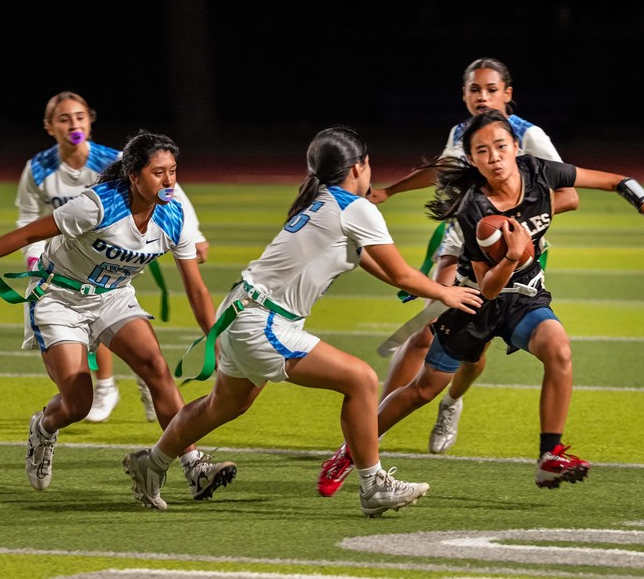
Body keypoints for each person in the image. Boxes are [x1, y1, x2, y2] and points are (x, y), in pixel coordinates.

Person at [120, 126, 484, 516]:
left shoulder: (324, 200)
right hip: (264, 321)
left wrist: (425, 287)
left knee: (223, 405)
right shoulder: (357, 208)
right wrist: (445, 292)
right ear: (359, 166)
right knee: (361, 379)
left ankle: (152, 462)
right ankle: (373, 485)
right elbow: (398, 272)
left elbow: (373, 262)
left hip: (242, 309)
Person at [321, 109, 644, 492]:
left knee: (559, 350)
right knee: (423, 389)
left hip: (524, 297)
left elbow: (619, 181)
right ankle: (348, 452)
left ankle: (549, 456)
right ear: (471, 159)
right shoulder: (473, 205)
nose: (494, 157)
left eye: (501, 146)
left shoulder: (539, 171)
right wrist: (511, 255)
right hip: (472, 302)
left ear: (515, 146)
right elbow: (488, 289)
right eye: (482, 151)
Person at [319, 58, 576, 498]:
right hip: (461, 245)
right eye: (474, 89)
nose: (482, 96)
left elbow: (566, 193)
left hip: (512, 259)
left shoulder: (529, 136)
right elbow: (442, 172)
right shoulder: (462, 134)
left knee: (483, 350)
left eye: (491, 89)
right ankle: (366, 439)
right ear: (464, 95)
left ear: (508, 93)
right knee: (427, 328)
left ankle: (453, 402)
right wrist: (391, 190)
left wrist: (511, 226)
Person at [0, 130, 236, 503]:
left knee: (156, 368)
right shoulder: (96, 206)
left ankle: (194, 466)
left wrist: (215, 340)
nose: (169, 181)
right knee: (78, 404)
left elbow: (196, 289)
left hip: (112, 297)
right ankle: (43, 428)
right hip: (59, 297)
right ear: (134, 176)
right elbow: (27, 234)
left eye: (173, 171)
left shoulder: (173, 217)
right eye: (158, 172)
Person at [15, 92, 210, 424]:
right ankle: (108, 385)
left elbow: (170, 191)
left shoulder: (113, 160)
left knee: (106, 306)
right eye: (64, 119)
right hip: (70, 260)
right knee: (88, 307)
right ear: (49, 127)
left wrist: (194, 233)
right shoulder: (38, 169)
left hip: (116, 254)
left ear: (90, 120)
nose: (74, 125)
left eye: (80, 117)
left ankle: (130, 381)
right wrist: (32, 256)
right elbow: (28, 217)